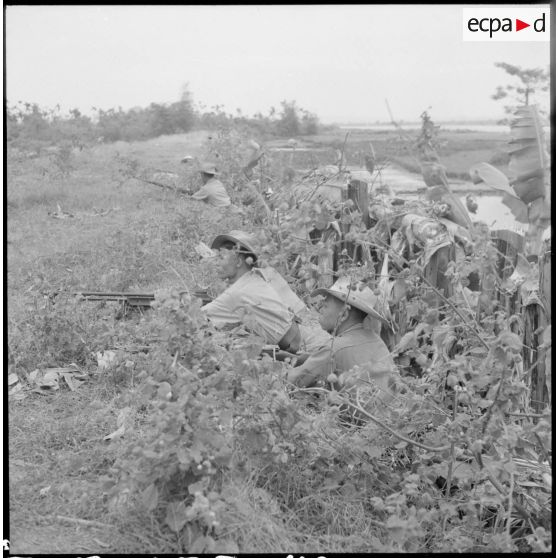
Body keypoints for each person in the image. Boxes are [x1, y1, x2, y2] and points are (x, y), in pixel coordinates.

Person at [286, 277, 396, 404]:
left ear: (344, 314)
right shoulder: (376, 339)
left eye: (325, 306)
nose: (319, 308)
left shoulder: (333, 348)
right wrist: (307, 358)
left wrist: (284, 366)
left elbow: (292, 383)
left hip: (359, 421)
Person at [202, 231, 303, 352]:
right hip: (297, 336)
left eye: (221, 257)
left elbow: (198, 316)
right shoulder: (257, 276)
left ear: (239, 262)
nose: (216, 263)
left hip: (293, 348)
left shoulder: (237, 293)